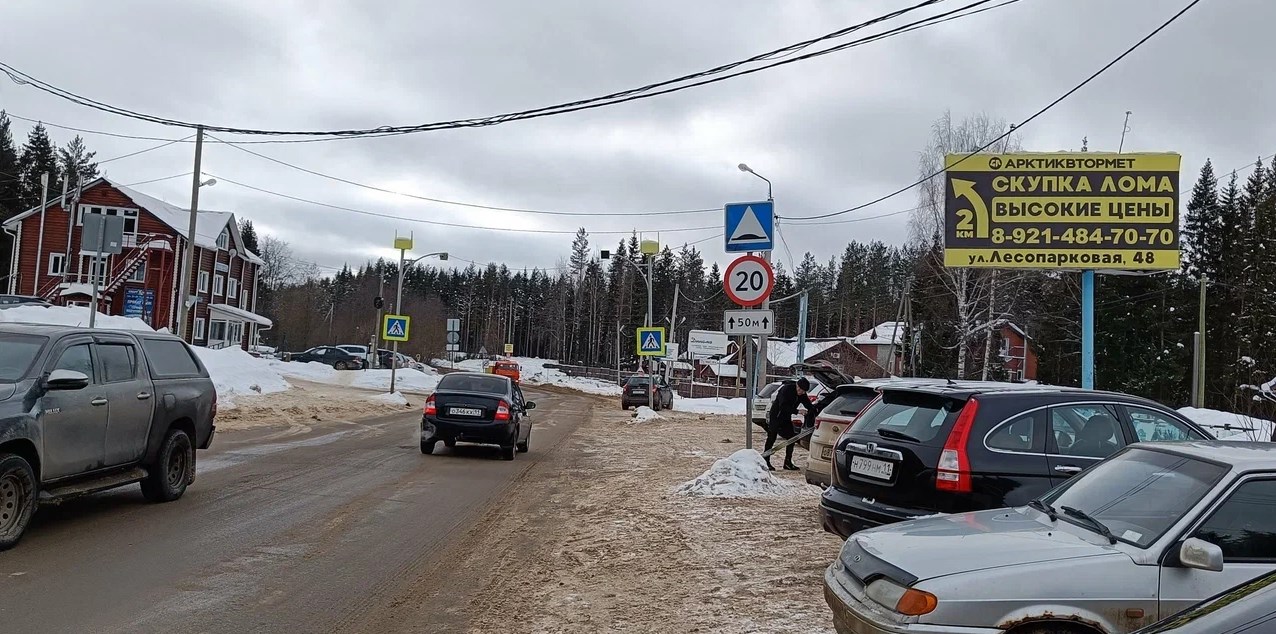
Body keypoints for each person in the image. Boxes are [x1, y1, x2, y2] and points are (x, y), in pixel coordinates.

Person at [765, 377, 814, 472]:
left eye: (804, 392)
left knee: (791, 438)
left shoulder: (802, 394)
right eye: (801, 391)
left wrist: (812, 410)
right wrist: (798, 411)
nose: (802, 393)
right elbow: (783, 406)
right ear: (797, 386)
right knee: (771, 438)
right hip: (776, 416)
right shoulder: (786, 390)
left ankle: (787, 462)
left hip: (786, 418)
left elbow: (808, 404)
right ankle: (765, 460)